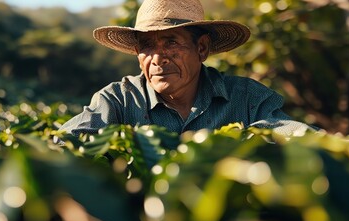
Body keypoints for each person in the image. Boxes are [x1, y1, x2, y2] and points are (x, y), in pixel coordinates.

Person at [59, 0, 314, 137]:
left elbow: (286, 129)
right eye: (147, 46)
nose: (158, 59)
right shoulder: (118, 101)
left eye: (171, 42)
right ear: (138, 55)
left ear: (201, 49)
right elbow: (68, 140)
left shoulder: (247, 98)